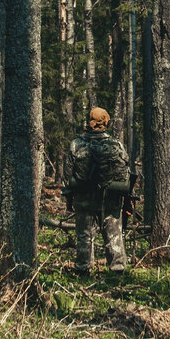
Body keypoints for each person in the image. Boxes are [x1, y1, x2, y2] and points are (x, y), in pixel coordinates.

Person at [63, 107, 130, 274]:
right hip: (110, 199)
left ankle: (83, 270)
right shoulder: (116, 144)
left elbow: (67, 175)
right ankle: (117, 272)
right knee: (113, 236)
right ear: (106, 122)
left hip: (83, 200)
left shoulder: (76, 144)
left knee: (84, 237)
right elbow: (125, 173)